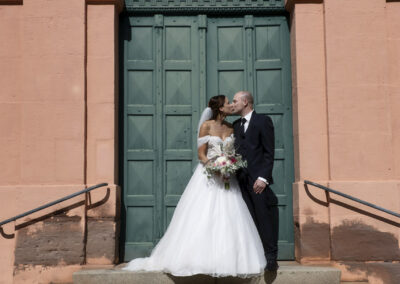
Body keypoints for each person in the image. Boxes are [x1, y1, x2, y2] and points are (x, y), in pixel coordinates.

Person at [123, 95, 266, 277]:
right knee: (202, 216)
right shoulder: (206, 126)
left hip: (228, 178)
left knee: (229, 216)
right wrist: (215, 167)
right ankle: (195, 260)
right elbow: (201, 154)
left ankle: (229, 260)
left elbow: (232, 152)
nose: (231, 105)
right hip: (209, 175)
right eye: (228, 102)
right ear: (220, 108)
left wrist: (229, 166)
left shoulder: (232, 127)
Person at [232, 91, 279, 271]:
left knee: (263, 217)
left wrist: (263, 178)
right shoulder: (236, 125)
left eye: (235, 101)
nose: (233, 104)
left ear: (245, 102)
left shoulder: (263, 121)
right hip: (240, 181)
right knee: (247, 220)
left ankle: (271, 258)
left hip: (258, 181)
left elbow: (269, 152)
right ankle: (252, 258)